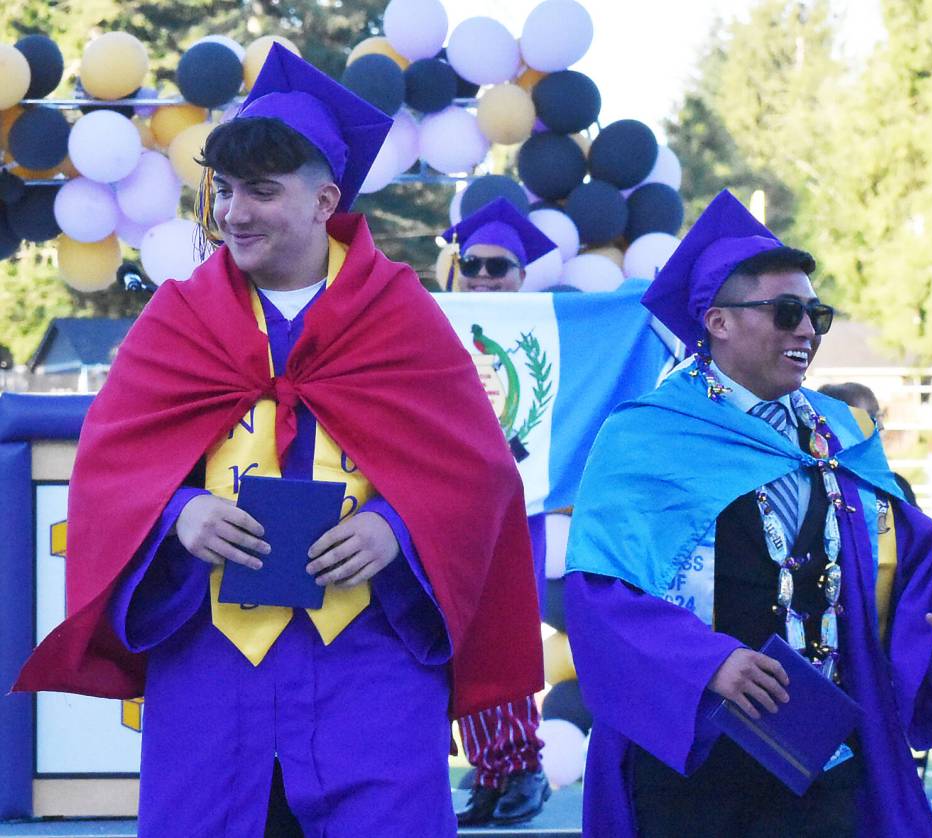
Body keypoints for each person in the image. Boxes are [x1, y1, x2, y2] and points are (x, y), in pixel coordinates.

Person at [14, 45, 542, 837]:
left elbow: (477, 475)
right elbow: (112, 468)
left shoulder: (400, 316)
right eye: (225, 191)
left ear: (327, 197)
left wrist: (394, 528)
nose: (234, 212)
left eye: (262, 191)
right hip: (211, 663)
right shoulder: (179, 318)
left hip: (368, 657)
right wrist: (178, 514)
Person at [563, 189, 932, 837]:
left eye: (816, 314)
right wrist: (707, 663)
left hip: (825, 748)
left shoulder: (839, 431)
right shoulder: (648, 438)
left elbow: (915, 553)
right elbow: (601, 595)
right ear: (718, 322)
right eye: (787, 311)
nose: (807, 330)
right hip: (696, 753)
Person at [439, 198, 556, 825]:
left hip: (516, 502)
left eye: (500, 267)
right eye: (473, 264)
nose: (484, 277)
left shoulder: (549, 329)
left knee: (501, 629)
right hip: (443, 502)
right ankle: (489, 770)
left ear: (523, 275)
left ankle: (520, 767)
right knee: (448, 634)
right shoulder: (431, 320)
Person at [817, 381, 918, 506]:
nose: (880, 427)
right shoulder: (814, 488)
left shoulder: (896, 487)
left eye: (879, 416)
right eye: (867, 418)